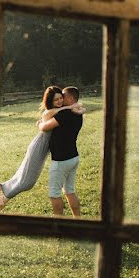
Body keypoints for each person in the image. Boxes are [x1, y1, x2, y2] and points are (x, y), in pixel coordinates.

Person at [0, 86, 85, 211]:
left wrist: (76, 108)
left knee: (25, 176)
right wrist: (71, 107)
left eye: (61, 98)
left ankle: (1, 192)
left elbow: (69, 113)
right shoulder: (55, 112)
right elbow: (44, 126)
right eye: (56, 99)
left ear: (69, 98)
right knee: (27, 181)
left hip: (49, 150)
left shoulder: (62, 112)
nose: (60, 101)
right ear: (50, 101)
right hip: (39, 146)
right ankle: (0, 190)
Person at [37, 86, 84, 217]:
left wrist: (40, 124)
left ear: (70, 98)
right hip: (73, 157)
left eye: (63, 96)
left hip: (61, 160)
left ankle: (59, 225)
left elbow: (44, 127)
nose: (61, 99)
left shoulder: (65, 114)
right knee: (69, 191)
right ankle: (78, 220)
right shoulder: (78, 112)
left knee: (54, 194)